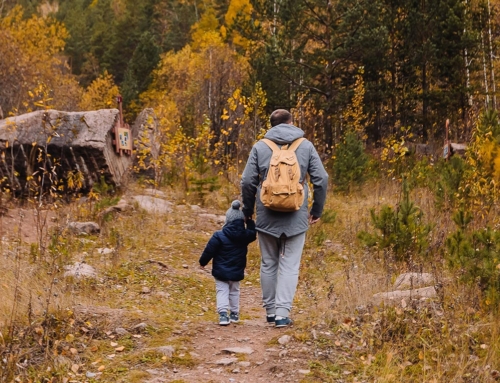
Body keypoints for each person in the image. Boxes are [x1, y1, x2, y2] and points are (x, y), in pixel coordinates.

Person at [241, 109, 328, 328]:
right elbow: (322, 179)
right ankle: (282, 314)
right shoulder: (305, 145)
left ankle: (270, 311)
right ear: (291, 123)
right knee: (290, 265)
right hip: (296, 215)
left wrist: (248, 210)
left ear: (271, 125)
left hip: (266, 215)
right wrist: (316, 209)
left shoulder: (261, 146)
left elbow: (247, 181)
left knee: (268, 263)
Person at [199, 200, 257, 325]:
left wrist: (203, 262)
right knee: (234, 291)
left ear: (227, 220)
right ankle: (234, 314)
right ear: (242, 221)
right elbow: (253, 233)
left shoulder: (219, 235)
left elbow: (209, 250)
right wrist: (250, 221)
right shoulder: (245, 235)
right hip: (236, 270)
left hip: (221, 270)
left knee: (222, 291)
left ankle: (223, 315)